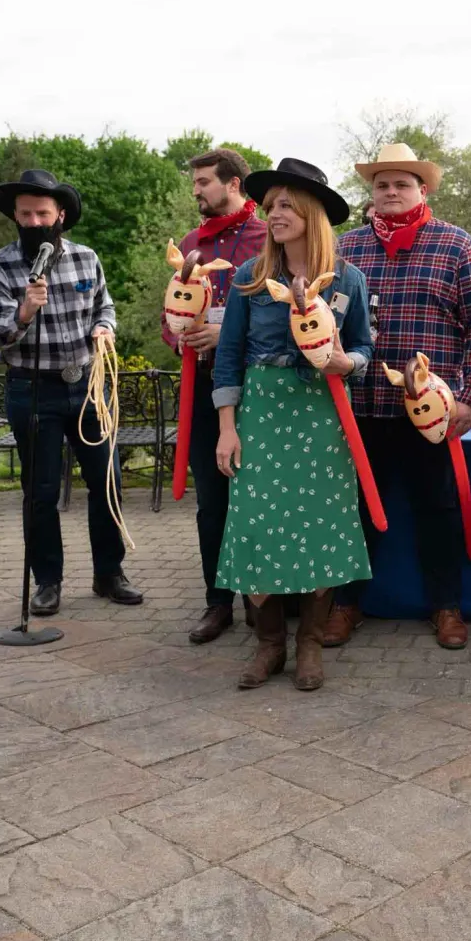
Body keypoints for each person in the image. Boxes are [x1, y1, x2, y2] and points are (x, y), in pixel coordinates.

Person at [212, 158, 374, 690]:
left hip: (323, 417)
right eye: (271, 204)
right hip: (261, 414)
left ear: (310, 212)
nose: (273, 213)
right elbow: (229, 356)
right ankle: (268, 644)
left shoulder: (348, 278)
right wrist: (227, 427)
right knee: (256, 529)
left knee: (319, 529)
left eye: (285, 205)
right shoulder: (249, 278)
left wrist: (344, 363)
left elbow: (364, 351)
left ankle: (309, 643)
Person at [330, 142, 471, 650]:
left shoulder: (457, 245)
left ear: (422, 190)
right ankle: (345, 605)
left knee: (437, 509)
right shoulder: (345, 250)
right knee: (355, 509)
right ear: (372, 194)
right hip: (361, 406)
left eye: (402, 183)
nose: (391, 192)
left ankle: (446, 607)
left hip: (430, 412)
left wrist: (470, 397)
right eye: (382, 184)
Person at [0, 168, 137, 617]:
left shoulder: (87, 258)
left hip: (87, 385)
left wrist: (105, 326)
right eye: (25, 214)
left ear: (60, 215)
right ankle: (47, 581)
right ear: (15, 215)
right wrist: (24, 312)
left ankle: (109, 573)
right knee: (41, 492)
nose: (33, 222)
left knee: (108, 483)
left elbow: (104, 304)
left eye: (41, 214)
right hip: (32, 388)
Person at [166, 148, 269, 645]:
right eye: (196, 182)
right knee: (212, 497)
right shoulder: (190, 244)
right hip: (206, 387)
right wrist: (182, 333)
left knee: (261, 494)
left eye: (204, 181)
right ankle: (216, 601)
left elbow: (278, 314)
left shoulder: (269, 239)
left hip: (262, 387)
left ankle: (266, 599)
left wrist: (222, 329)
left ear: (234, 184)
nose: (197, 191)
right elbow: (173, 313)